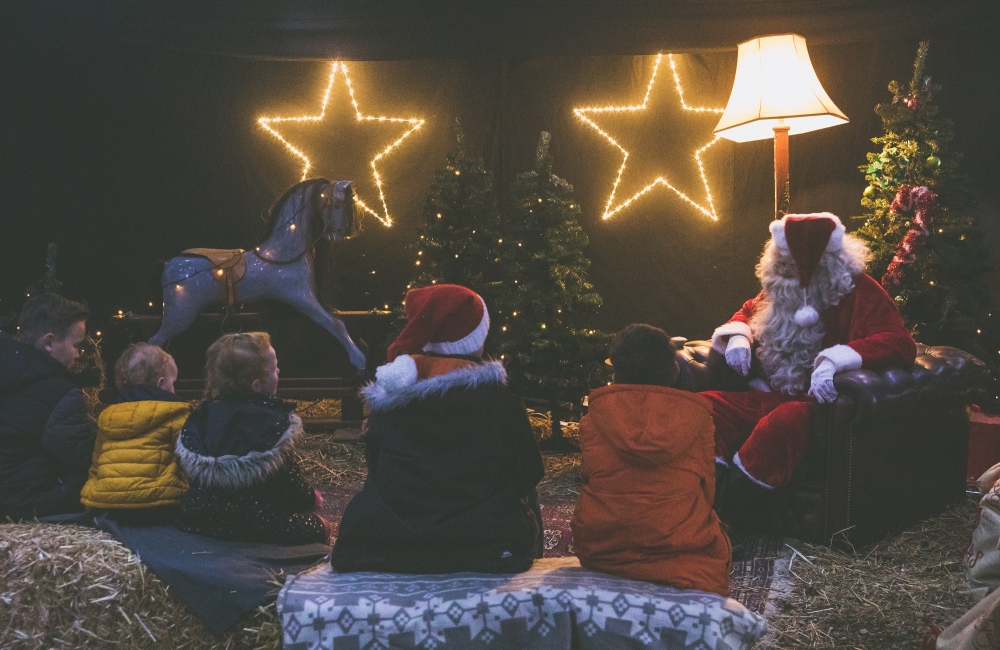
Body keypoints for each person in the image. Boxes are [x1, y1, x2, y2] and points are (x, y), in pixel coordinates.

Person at [705, 213, 916, 517]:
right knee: (706, 407)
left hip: (817, 404)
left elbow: (899, 342)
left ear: (821, 264)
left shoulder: (858, 291)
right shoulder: (782, 286)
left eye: (791, 262)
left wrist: (835, 360)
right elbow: (748, 310)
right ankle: (697, 497)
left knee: (782, 422)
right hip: (771, 394)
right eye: (778, 259)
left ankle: (731, 509)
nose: (781, 268)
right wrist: (738, 335)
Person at [331, 284, 544, 574]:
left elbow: (377, 468)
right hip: (487, 545)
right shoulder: (502, 402)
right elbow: (529, 472)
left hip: (391, 545)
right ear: (476, 340)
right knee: (529, 496)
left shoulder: (390, 403)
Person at [571, 324, 731, 596]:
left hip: (603, 552)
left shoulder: (593, 418)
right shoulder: (699, 420)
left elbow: (589, 478)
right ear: (674, 369)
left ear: (616, 372)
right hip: (683, 556)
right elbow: (708, 491)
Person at [175, 332, 331, 544]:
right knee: (322, 525)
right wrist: (311, 499)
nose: (279, 372)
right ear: (257, 385)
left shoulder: (200, 417)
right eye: (275, 369)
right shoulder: (274, 423)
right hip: (259, 525)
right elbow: (289, 487)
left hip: (198, 522)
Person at [0, 293, 96, 519]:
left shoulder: (10, 371)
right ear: (50, 343)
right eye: (76, 345)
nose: (77, 354)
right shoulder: (58, 392)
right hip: (25, 505)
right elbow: (87, 451)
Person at [79, 343, 191, 523]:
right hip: (157, 505)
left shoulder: (107, 417)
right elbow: (188, 463)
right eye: (172, 383)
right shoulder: (176, 414)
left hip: (107, 505)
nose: (174, 390)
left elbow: (96, 463)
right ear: (160, 383)